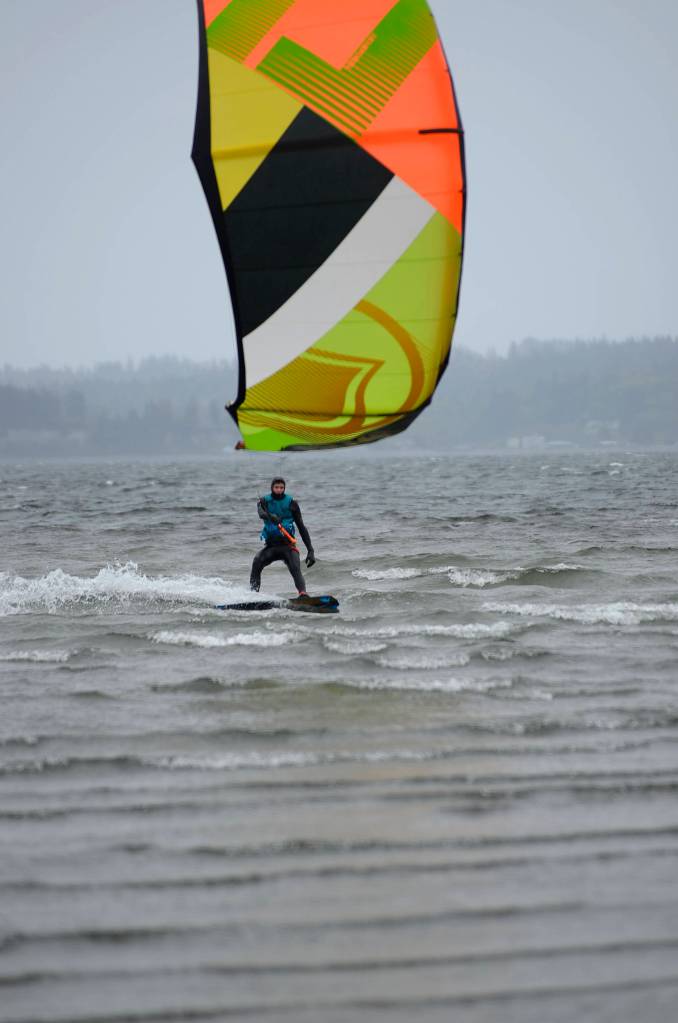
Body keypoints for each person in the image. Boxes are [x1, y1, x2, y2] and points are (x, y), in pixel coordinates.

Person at [250, 477, 316, 595]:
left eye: (281, 488)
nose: (279, 490)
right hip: (271, 547)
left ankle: (303, 594)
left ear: (284, 488)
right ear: (272, 488)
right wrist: (271, 516)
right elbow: (261, 514)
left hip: (288, 546)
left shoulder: (292, 504)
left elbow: (301, 527)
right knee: (257, 561)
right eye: (276, 487)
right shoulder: (264, 502)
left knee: (295, 567)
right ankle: (253, 595)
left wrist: (310, 550)